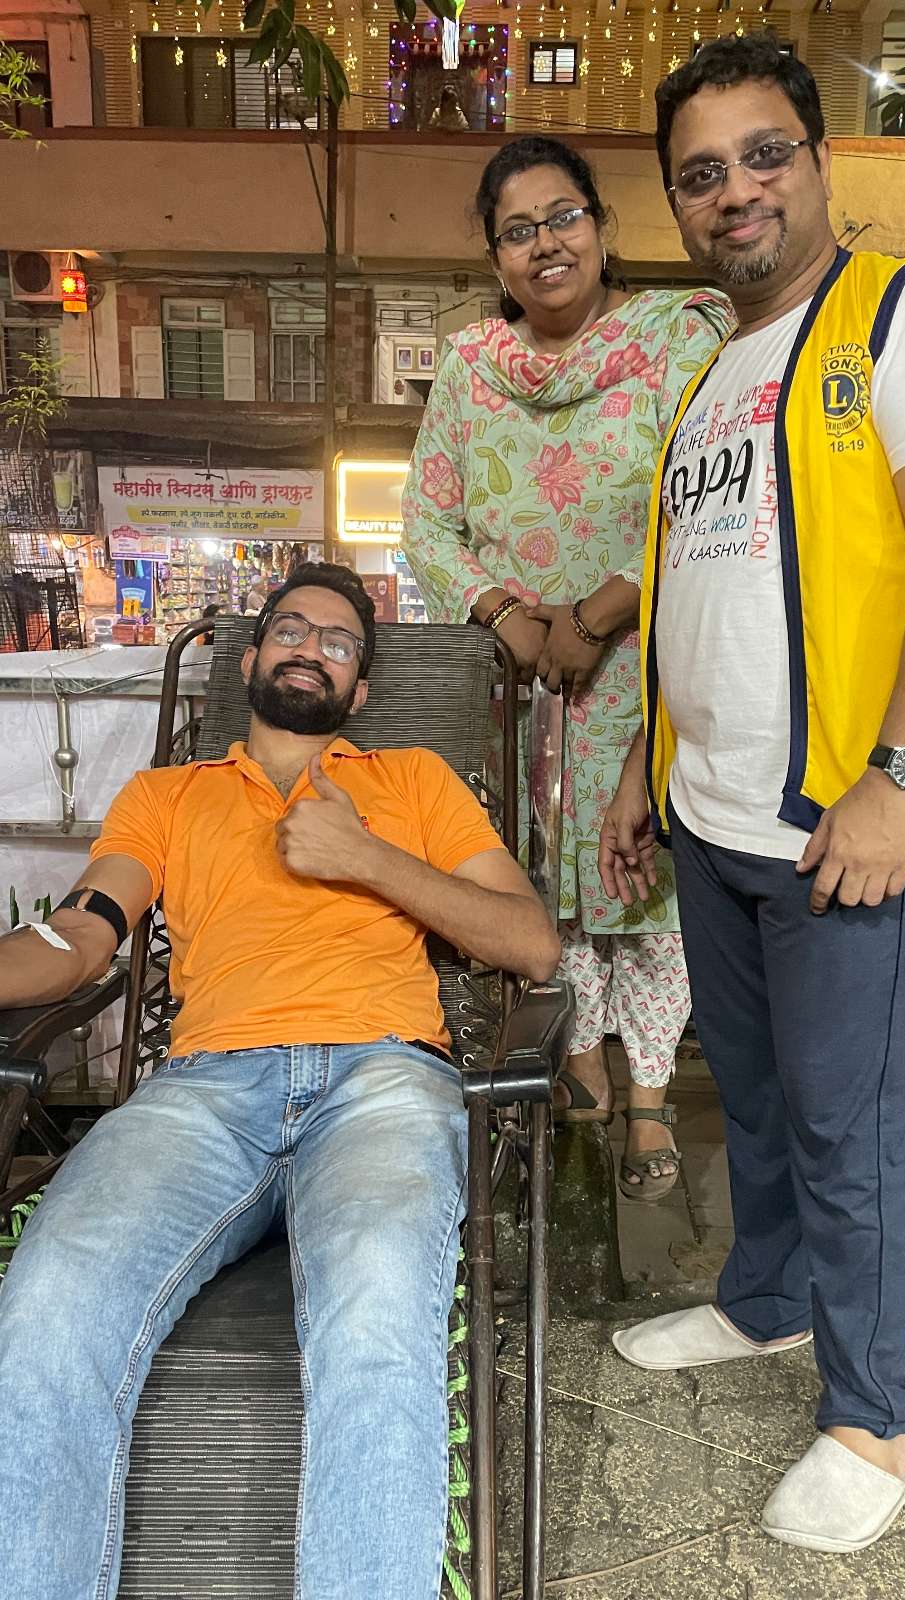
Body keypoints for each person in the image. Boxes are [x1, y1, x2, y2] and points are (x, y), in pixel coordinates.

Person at [599, 34, 905, 1551]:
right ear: (676, 203)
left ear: (822, 160)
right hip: (716, 816)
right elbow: (695, 595)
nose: (736, 191)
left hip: (847, 824)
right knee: (761, 1100)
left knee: (849, 1126)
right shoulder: (715, 375)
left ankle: (877, 1418)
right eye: (700, 174)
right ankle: (767, 1298)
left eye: (765, 153)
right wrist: (646, 768)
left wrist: (893, 785)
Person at [0, 562, 560, 1598]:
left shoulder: (414, 782)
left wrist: (365, 856)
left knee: (378, 1313)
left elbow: (530, 942)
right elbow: (81, 938)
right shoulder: (168, 795)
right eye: (290, 628)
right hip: (204, 1090)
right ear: (252, 659)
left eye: (339, 641)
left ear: (358, 689)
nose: (311, 646)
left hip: (383, 1077)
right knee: (47, 1302)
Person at [402, 136, 733, 1200]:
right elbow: (427, 524)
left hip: (649, 666)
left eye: (562, 217)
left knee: (647, 884)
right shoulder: (469, 367)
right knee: (549, 883)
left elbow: (712, 493)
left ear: (599, 224)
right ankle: (582, 1063)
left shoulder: (677, 339)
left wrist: (596, 615)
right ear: (494, 258)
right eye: (517, 231)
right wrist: (506, 615)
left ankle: (650, 1095)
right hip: (524, 685)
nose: (544, 244)